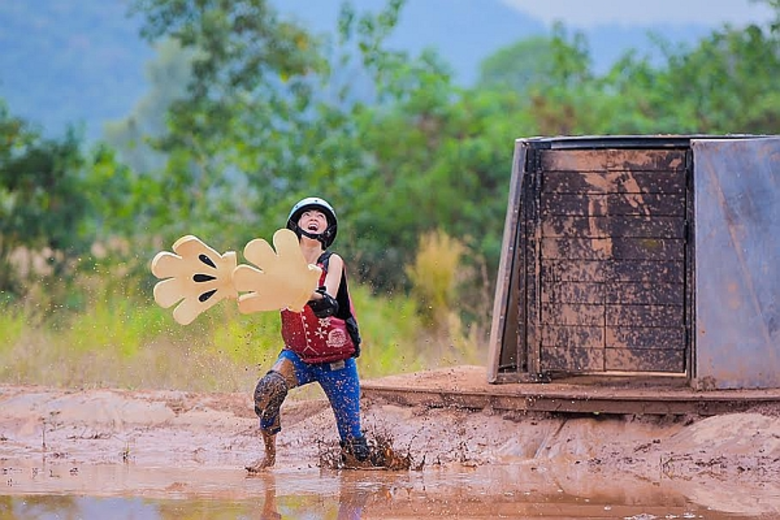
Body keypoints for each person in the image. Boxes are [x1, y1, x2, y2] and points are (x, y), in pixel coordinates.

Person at [246, 196, 369, 472]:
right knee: (268, 390)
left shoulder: (332, 261)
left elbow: (328, 303)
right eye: (307, 214)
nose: (314, 218)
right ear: (295, 225)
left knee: (355, 451)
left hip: (337, 362)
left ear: (328, 229)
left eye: (320, 216)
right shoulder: (280, 266)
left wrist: (300, 290)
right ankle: (269, 457)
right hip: (298, 356)